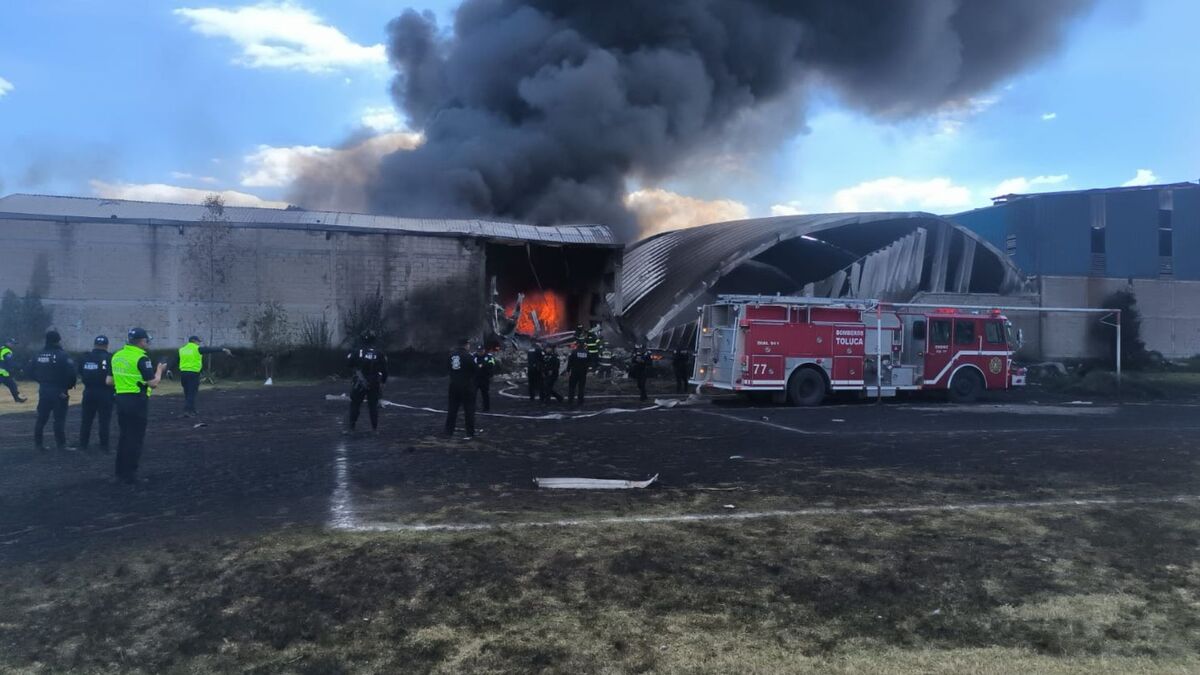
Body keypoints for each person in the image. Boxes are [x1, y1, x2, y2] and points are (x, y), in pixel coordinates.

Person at [110, 328, 166, 484]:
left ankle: (119, 473)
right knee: (135, 439)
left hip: (120, 399)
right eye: (147, 340)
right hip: (137, 401)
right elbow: (153, 383)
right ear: (142, 341)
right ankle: (130, 475)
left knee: (124, 436)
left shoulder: (117, 356)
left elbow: (109, 381)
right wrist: (159, 370)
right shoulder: (142, 358)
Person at [31, 330, 77, 451]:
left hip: (44, 390)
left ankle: (38, 444)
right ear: (58, 340)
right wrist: (66, 387)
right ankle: (61, 445)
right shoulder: (62, 355)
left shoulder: (39, 354)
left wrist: (41, 381)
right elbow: (72, 374)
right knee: (59, 419)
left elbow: (29, 370)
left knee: (42, 418)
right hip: (59, 391)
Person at [77, 335, 115, 452]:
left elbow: (80, 372)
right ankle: (104, 446)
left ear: (94, 344)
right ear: (107, 345)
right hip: (105, 392)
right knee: (104, 421)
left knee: (86, 420)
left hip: (88, 391)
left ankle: (83, 445)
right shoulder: (110, 357)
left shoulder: (85, 357)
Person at [345, 330, 388, 433]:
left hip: (359, 382)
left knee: (355, 404)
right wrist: (383, 381)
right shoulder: (379, 353)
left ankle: (351, 427)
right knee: (373, 405)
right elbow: (384, 370)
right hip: (374, 382)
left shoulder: (356, 351)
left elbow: (349, 364)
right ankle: (374, 429)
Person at [177, 336, 232, 416]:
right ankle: (187, 411)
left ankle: (192, 410)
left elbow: (175, 359)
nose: (199, 343)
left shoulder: (182, 349)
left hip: (183, 373)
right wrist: (223, 349)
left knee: (187, 392)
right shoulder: (197, 349)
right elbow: (210, 350)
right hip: (193, 373)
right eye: (198, 341)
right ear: (194, 341)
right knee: (192, 393)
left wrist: (168, 369)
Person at [444, 337, 477, 438]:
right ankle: (470, 432)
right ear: (466, 345)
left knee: (452, 410)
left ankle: (448, 431)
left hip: (453, 386)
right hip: (466, 386)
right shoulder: (468, 356)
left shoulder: (451, 355)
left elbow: (448, 368)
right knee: (469, 410)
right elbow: (475, 370)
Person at [1, 337, 27, 403]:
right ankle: (17, 399)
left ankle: (17, 399)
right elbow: (10, 362)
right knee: (12, 385)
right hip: (2, 373)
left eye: (14, 344)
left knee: (12, 385)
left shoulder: (2, 348)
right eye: (12, 343)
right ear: (7, 343)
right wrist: (19, 368)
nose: (13, 345)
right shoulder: (7, 351)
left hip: (2, 372)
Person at [566, 340, 590, 408]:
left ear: (578, 345)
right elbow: (589, 362)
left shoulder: (574, 352)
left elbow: (570, 362)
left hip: (574, 372)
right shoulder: (587, 352)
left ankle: (570, 400)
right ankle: (580, 401)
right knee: (581, 387)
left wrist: (568, 370)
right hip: (583, 373)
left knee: (572, 387)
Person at [474, 344, 496, 412]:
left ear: (484, 350)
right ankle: (473, 406)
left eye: (481, 351)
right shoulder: (474, 356)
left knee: (485, 394)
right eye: (478, 351)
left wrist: (482, 365)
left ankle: (486, 408)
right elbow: (472, 365)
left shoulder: (489, 356)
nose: (480, 352)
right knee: (473, 393)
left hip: (485, 378)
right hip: (475, 378)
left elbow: (492, 364)